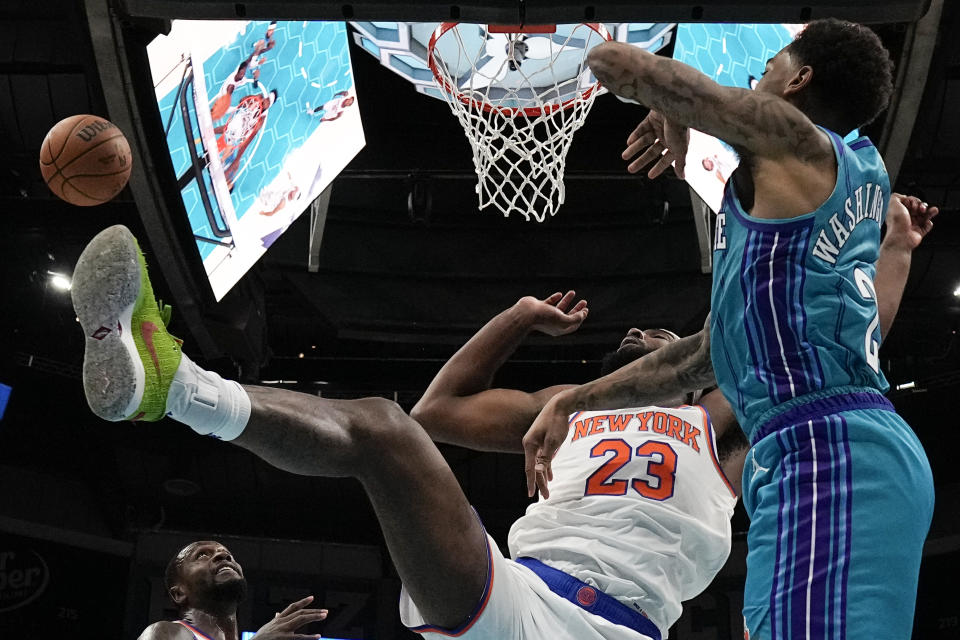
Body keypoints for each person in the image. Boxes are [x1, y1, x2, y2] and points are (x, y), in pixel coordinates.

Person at [72, 225, 745, 640]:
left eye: (658, 338)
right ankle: (175, 387)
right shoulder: (566, 407)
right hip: (519, 592)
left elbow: (754, 340)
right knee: (386, 432)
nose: (636, 333)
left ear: (687, 372)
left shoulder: (722, 421)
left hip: (617, 629)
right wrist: (514, 317)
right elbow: (436, 413)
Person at [524, 19, 939, 640]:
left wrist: (676, 110)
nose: (756, 74)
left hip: (828, 450)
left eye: (771, 62)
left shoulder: (798, 139)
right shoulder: (847, 178)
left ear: (798, 80)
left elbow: (616, 62)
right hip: (830, 446)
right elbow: (704, 358)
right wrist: (575, 401)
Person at [138, 540, 327, 640]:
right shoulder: (165, 632)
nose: (223, 555)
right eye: (202, 555)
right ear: (179, 593)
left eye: (229, 554)